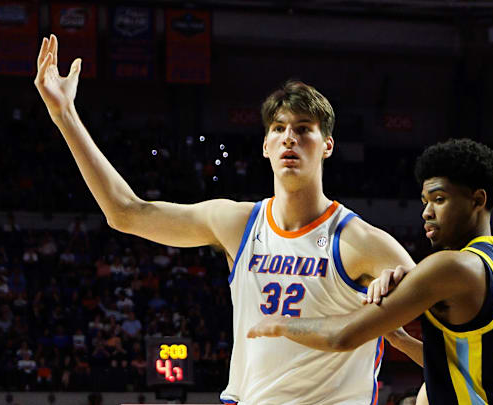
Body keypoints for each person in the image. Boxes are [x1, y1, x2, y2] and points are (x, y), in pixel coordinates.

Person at [34, 35, 418, 404]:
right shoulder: (238, 223)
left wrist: (406, 343)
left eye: (304, 130)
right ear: (265, 146)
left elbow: (458, 333)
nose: (289, 139)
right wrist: (64, 115)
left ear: (327, 145)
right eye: (279, 129)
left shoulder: (363, 241)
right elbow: (125, 212)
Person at [249, 139, 493, 404]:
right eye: (425, 201)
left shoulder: (455, 266)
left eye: (438, 200)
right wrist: (400, 339)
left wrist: (280, 324)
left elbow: (342, 336)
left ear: (477, 200)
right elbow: (469, 369)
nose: (426, 212)